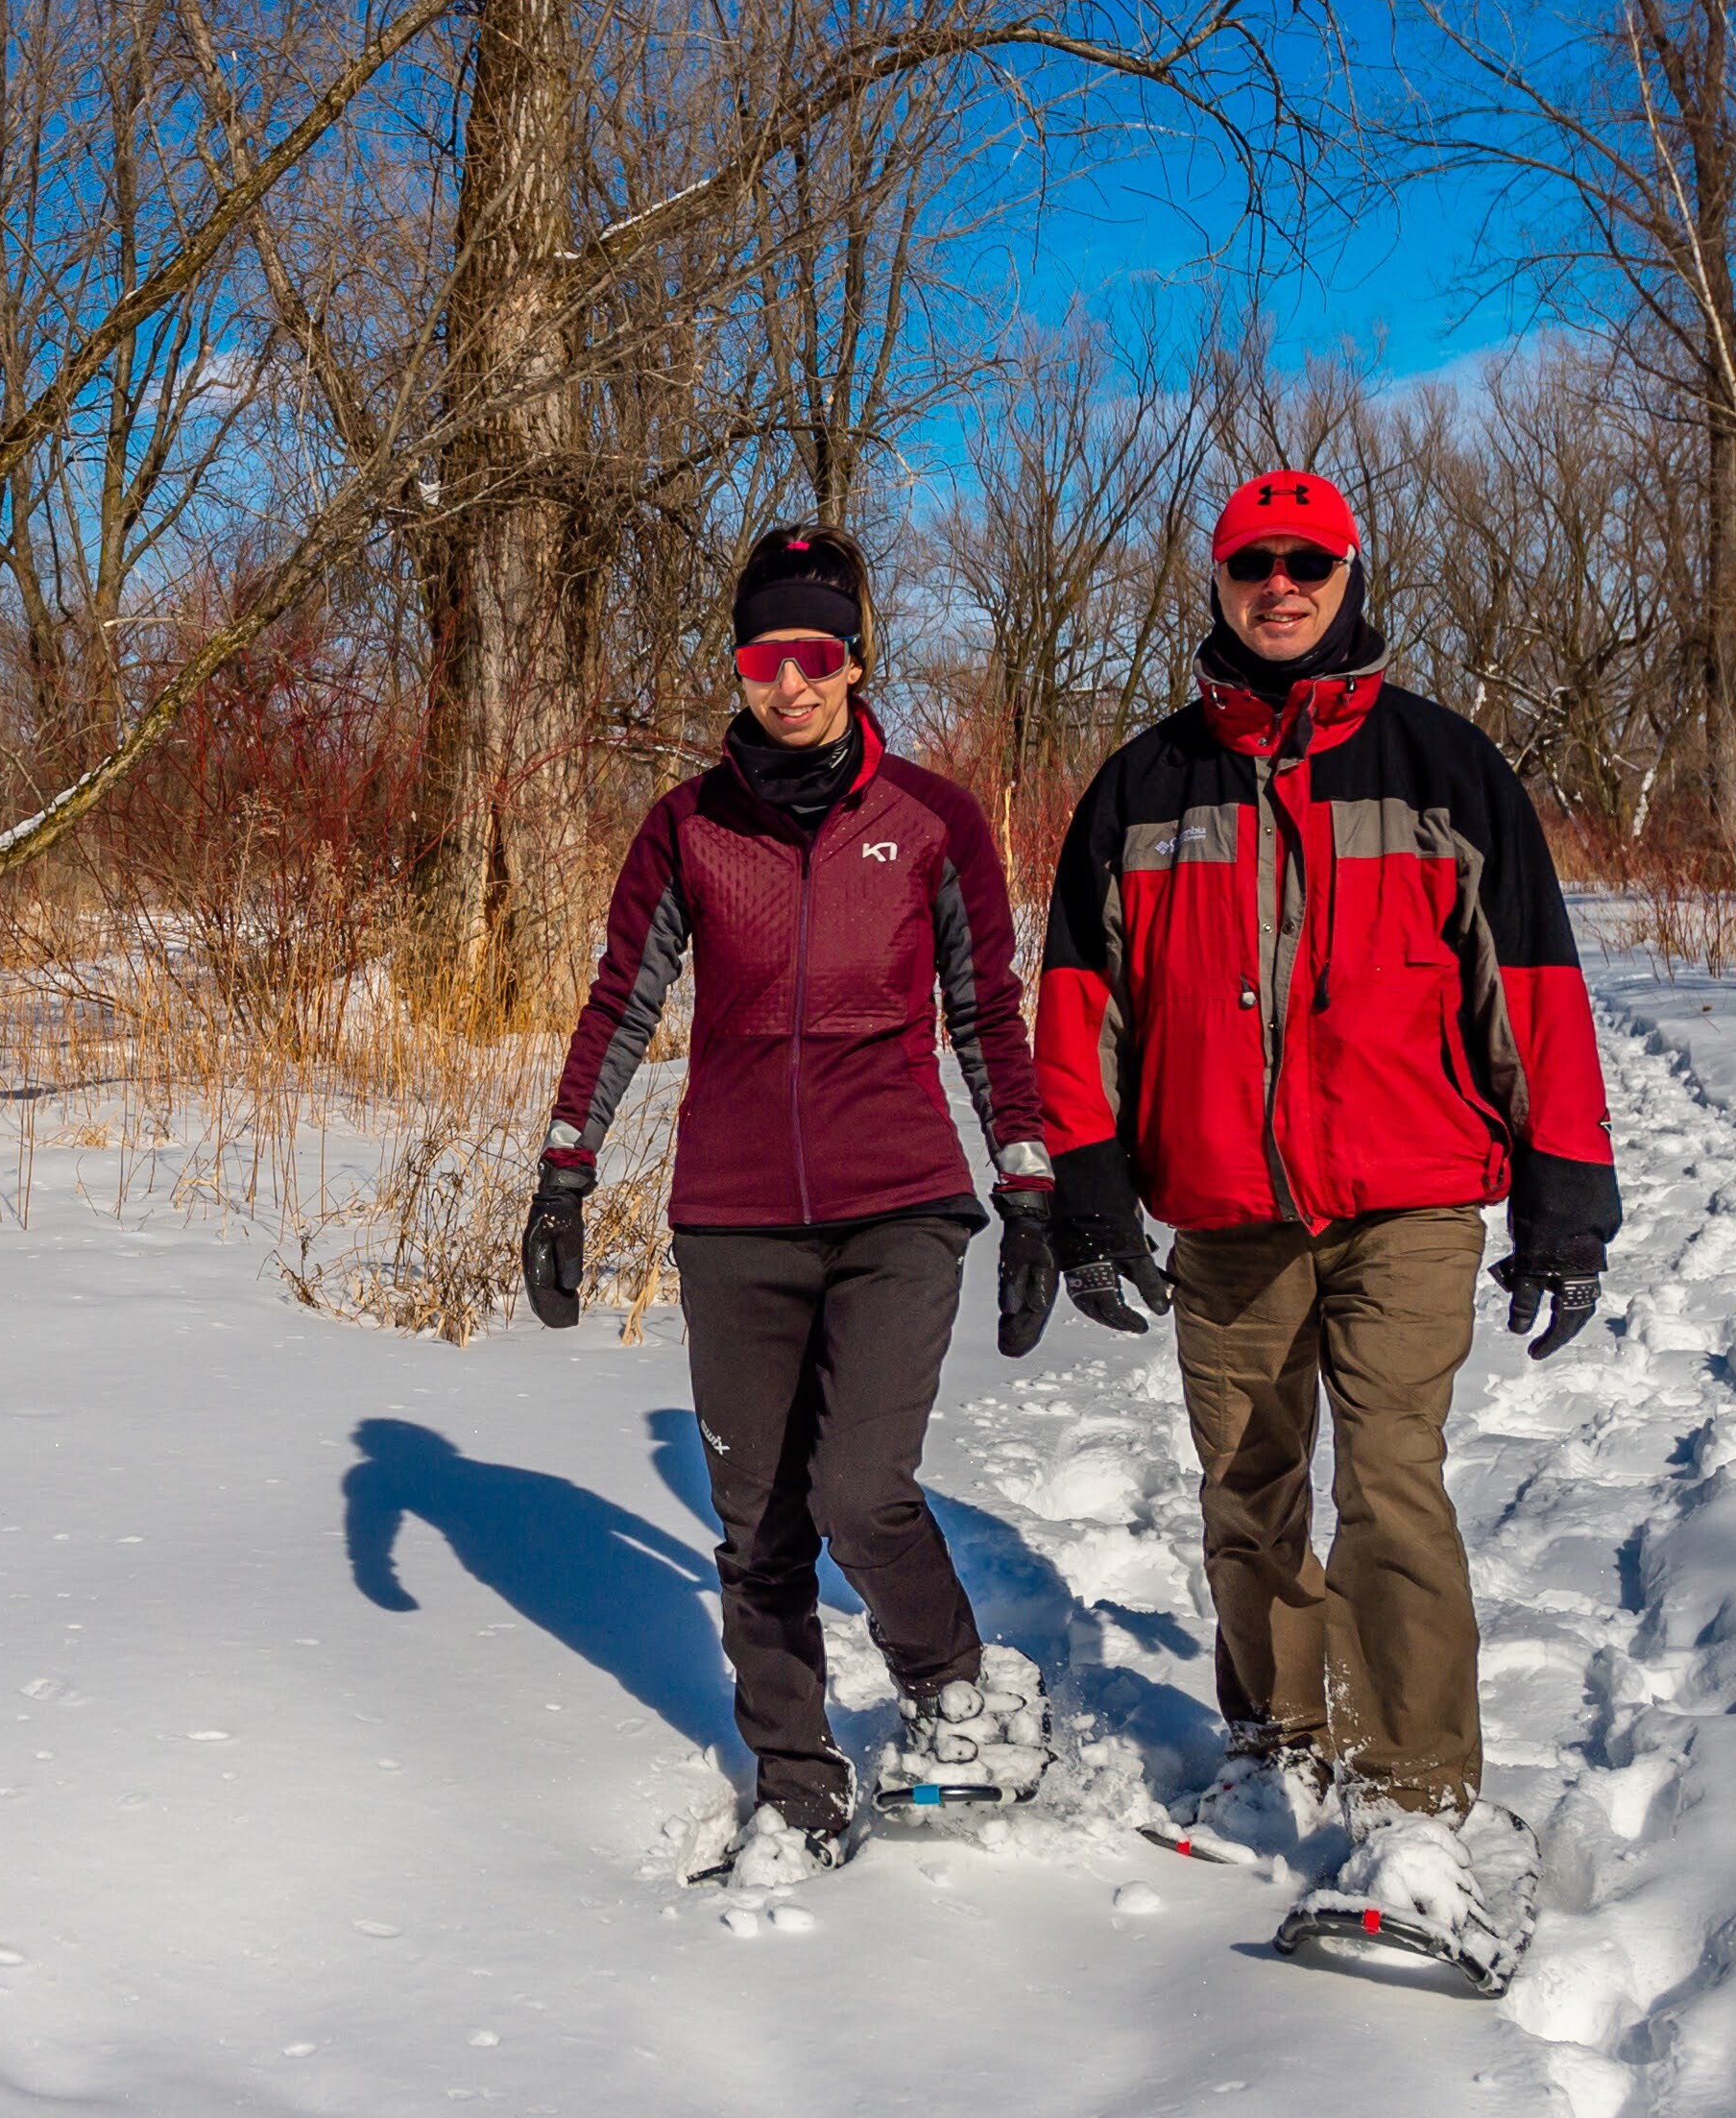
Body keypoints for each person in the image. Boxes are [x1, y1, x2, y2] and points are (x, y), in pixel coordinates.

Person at [1023, 469, 1622, 1946]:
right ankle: (1281, 1741)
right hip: (1224, 1207)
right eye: (1253, 564)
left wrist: (1566, 1199)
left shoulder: (1443, 767)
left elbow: (1534, 992)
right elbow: (1079, 1005)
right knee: (1248, 1486)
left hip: (1409, 1199)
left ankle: (1415, 1804)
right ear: (1219, 583)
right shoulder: (1144, 785)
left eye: (1306, 562)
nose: (1279, 586)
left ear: (1350, 574)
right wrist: (1086, 1193)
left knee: (1392, 1483)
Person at [524, 523, 1058, 1888]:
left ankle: (956, 1690)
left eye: (816, 654)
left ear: (856, 659)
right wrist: (566, 1165)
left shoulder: (932, 821)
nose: (791, 683)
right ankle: (798, 1781)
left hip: (899, 1204)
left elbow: (986, 1011)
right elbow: (622, 999)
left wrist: (1027, 1183)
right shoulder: (687, 826)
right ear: (740, 667)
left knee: (859, 1491)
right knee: (757, 1524)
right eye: (765, 658)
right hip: (735, 1217)